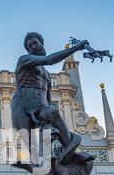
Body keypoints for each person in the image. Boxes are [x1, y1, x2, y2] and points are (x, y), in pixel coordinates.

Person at [12, 32, 93, 166]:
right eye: (30, 45)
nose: (34, 46)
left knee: (53, 112)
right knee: (33, 148)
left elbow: (47, 97)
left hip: (40, 107)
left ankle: (71, 151)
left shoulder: (46, 75)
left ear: (41, 43)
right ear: (28, 50)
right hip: (22, 106)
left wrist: (47, 123)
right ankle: (41, 169)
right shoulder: (24, 60)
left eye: (35, 43)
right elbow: (49, 59)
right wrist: (76, 48)